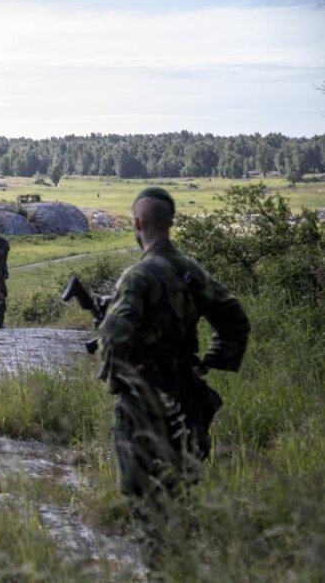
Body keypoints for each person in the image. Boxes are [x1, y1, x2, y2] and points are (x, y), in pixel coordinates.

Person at [98, 187, 250, 572]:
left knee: (144, 502)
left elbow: (114, 338)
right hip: (185, 398)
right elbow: (235, 321)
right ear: (171, 222)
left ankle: (160, 572)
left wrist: (117, 383)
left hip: (142, 404)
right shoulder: (192, 271)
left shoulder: (138, 276)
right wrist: (208, 363)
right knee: (177, 495)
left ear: (137, 223)